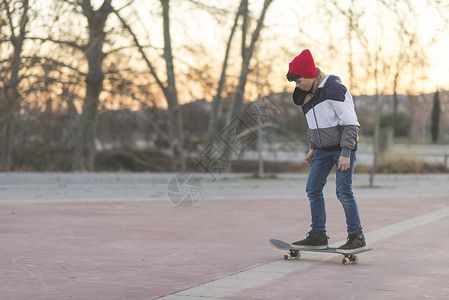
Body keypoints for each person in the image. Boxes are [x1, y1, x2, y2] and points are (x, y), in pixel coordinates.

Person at [286, 49, 366, 254]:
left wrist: (346, 153)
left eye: (299, 81)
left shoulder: (334, 89)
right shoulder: (306, 95)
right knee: (312, 189)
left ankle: (356, 236)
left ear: (310, 74)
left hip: (342, 150)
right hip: (321, 151)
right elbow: (314, 126)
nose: (297, 85)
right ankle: (318, 235)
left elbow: (351, 124)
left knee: (343, 191)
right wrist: (312, 148)